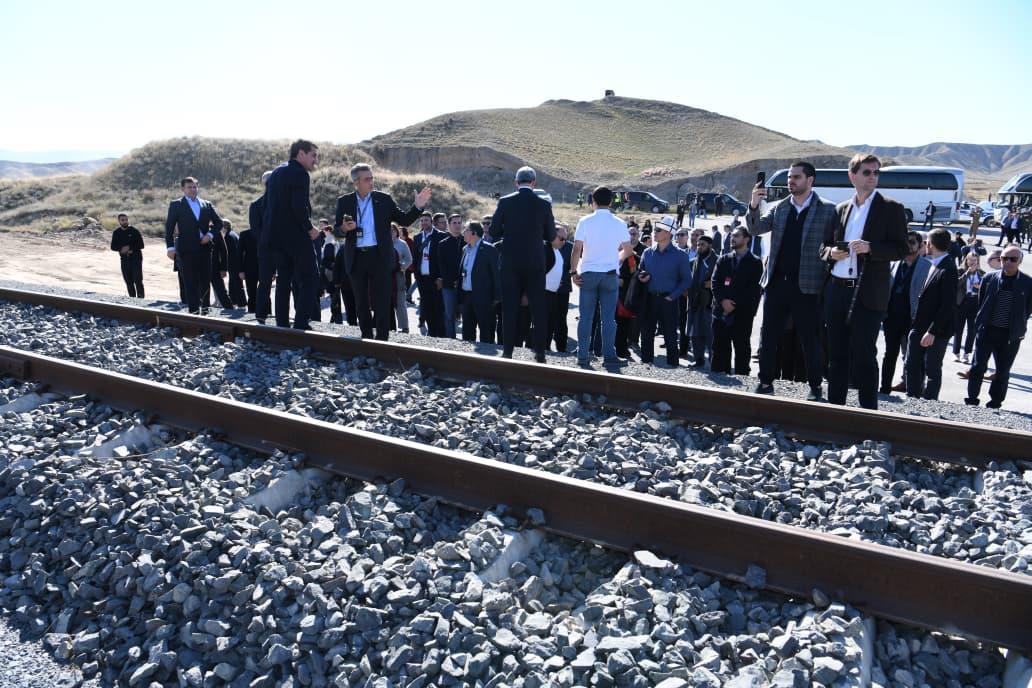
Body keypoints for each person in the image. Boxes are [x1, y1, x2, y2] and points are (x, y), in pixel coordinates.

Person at [821, 153, 908, 410]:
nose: (873, 177)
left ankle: (868, 412)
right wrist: (830, 253)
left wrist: (872, 248)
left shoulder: (891, 208)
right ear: (853, 176)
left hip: (867, 293)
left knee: (864, 355)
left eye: (876, 172)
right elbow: (823, 246)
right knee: (836, 353)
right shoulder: (841, 209)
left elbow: (902, 249)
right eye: (867, 172)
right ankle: (835, 409)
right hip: (837, 288)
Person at [747, 161, 839, 401]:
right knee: (769, 336)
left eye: (796, 177)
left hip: (808, 285)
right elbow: (755, 229)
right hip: (776, 283)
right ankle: (765, 382)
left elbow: (833, 245)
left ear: (810, 180)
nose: (791, 181)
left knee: (810, 338)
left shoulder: (828, 210)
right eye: (789, 177)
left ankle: (815, 386)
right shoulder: (780, 207)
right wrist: (754, 204)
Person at [335, 163, 431, 340]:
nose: (372, 182)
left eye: (372, 178)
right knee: (361, 302)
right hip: (356, 257)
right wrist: (344, 228)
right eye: (367, 179)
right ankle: (366, 337)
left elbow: (404, 220)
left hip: (379, 256)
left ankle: (382, 339)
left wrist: (417, 206)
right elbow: (337, 231)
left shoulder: (384, 199)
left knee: (382, 301)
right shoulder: (344, 201)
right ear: (356, 182)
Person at [489, 166, 556, 362]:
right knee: (538, 308)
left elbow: (493, 231)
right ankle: (540, 352)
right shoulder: (544, 204)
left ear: (516, 183)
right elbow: (551, 235)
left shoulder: (505, 202)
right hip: (535, 262)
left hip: (510, 262)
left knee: (509, 308)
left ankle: (508, 351)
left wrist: (510, 233)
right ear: (534, 183)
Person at [964, 244, 1032, 409]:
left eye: (1012, 259)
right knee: (978, 366)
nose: (1007, 262)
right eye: (1004, 258)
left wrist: (1018, 327)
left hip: (1009, 335)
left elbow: (1028, 308)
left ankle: (995, 402)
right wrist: (980, 323)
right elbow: (982, 302)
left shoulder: (1027, 282)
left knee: (1002, 370)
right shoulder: (989, 278)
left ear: (1020, 261)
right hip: (987, 331)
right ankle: (972, 399)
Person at [263, 140, 319, 329]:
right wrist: (309, 228)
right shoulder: (300, 173)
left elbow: (267, 206)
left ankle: (282, 324)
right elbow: (298, 206)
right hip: (296, 236)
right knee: (311, 277)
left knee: (284, 280)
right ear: (301, 153)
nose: (315, 160)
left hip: (275, 238)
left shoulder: (276, 172)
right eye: (313, 155)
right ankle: (301, 323)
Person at [570, 186, 628, 366]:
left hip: (589, 274)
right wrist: (617, 260)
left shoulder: (585, 221)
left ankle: (582, 355)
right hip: (610, 275)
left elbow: (576, 249)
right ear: (611, 202)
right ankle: (609, 356)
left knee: (585, 317)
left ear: (593, 201)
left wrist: (573, 271)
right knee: (608, 319)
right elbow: (628, 250)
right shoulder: (619, 223)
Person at [904, 228, 958, 400]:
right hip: (919, 326)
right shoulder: (933, 263)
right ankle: (912, 398)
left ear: (930, 244)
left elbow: (948, 305)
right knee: (912, 364)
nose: (925, 245)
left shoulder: (948, 268)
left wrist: (933, 331)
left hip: (935, 331)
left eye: (927, 242)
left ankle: (930, 402)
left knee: (932, 369)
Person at [637, 216, 692, 367]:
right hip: (649, 299)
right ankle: (646, 365)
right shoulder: (647, 253)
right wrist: (641, 277)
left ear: (668, 233)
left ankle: (673, 366)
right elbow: (640, 271)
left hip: (669, 301)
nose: (654, 232)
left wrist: (672, 296)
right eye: (655, 229)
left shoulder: (681, 255)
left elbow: (687, 280)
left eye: (658, 230)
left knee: (670, 336)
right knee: (646, 334)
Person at [880, 231, 930, 395]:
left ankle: (915, 389)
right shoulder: (894, 263)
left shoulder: (927, 266)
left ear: (920, 246)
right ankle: (884, 388)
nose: (908, 245)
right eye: (905, 241)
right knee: (890, 354)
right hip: (892, 318)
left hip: (912, 319)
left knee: (913, 356)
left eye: (912, 242)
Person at [165, 176, 225, 314]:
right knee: (190, 280)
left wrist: (209, 235)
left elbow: (219, 223)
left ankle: (205, 309)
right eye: (189, 187)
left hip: (205, 248)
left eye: (194, 187)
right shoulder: (176, 204)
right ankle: (193, 311)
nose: (192, 189)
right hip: (186, 249)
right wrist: (170, 247)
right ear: (183, 189)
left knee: (205, 279)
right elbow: (169, 227)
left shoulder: (206, 204)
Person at [710, 226, 763, 375]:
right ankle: (720, 379)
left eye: (737, 236)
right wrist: (723, 301)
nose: (732, 239)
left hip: (742, 314)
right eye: (732, 236)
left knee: (741, 348)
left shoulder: (755, 262)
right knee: (719, 348)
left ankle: (742, 378)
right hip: (721, 312)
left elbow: (753, 289)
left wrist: (734, 304)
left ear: (746, 239)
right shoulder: (724, 259)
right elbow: (715, 282)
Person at [459, 221, 501, 343]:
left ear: (474, 233)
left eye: (466, 230)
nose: (463, 233)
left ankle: (487, 355)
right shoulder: (465, 249)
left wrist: (497, 297)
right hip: (467, 296)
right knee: (467, 332)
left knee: (486, 332)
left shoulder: (489, 249)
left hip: (484, 297)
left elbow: (496, 274)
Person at [685, 233, 716, 367]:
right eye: (698, 244)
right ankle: (698, 360)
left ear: (710, 246)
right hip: (694, 303)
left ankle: (715, 363)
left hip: (709, 304)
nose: (699, 247)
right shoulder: (693, 262)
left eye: (702, 244)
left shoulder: (718, 261)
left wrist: (713, 283)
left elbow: (727, 280)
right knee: (695, 333)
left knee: (711, 335)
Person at [411, 213, 444, 335]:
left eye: (426, 220)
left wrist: (441, 277)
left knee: (438, 307)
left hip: (435, 278)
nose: (424, 222)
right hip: (422, 278)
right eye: (422, 220)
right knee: (427, 306)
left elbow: (443, 259)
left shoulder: (441, 236)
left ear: (431, 222)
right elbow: (415, 257)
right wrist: (416, 273)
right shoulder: (417, 237)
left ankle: (440, 334)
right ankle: (431, 333)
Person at [250, 171, 274, 323]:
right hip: (267, 250)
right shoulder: (256, 205)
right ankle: (260, 314)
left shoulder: (285, 201)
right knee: (265, 282)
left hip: (283, 250)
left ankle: (280, 316)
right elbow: (256, 230)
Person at [544, 225, 572, 352]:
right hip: (546, 291)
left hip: (562, 289)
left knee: (560, 319)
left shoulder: (570, 247)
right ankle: (544, 346)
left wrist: (561, 279)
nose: (563, 242)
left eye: (565, 238)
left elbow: (572, 268)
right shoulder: (543, 247)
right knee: (545, 320)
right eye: (561, 238)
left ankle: (561, 348)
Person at [436, 214, 464, 338]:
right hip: (448, 285)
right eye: (454, 223)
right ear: (449, 225)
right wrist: (452, 281)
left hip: (465, 286)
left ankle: (468, 341)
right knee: (449, 315)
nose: (457, 225)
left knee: (467, 315)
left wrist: (460, 281)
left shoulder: (467, 241)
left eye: (459, 223)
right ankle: (450, 341)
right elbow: (442, 266)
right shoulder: (443, 243)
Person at [953, 252, 984, 364]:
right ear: (966, 260)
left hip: (975, 303)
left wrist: (980, 287)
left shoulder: (982, 273)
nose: (972, 262)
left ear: (978, 261)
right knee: (958, 329)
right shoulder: (960, 271)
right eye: (970, 260)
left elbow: (985, 289)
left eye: (975, 260)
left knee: (972, 330)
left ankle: (966, 354)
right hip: (962, 302)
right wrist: (967, 273)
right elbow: (956, 284)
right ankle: (956, 353)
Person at [110, 213, 145, 298]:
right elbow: (113, 247)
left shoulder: (134, 231)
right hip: (124, 260)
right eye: (123, 220)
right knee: (128, 281)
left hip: (136, 259)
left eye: (126, 220)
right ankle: (132, 300)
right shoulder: (116, 233)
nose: (125, 221)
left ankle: (141, 300)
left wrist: (130, 248)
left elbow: (141, 245)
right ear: (119, 221)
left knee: (138, 280)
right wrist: (121, 249)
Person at [322, 225, 346, 324]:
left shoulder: (332, 244)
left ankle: (336, 317)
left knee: (335, 296)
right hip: (334, 275)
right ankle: (336, 317)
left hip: (335, 275)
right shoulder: (333, 244)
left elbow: (325, 261)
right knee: (335, 296)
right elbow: (326, 261)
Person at [391, 224, 413, 332]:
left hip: (398, 277)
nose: (391, 232)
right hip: (386, 278)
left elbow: (409, 259)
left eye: (393, 230)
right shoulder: (382, 242)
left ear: (397, 231)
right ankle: (390, 326)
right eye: (388, 230)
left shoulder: (402, 244)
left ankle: (404, 327)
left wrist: (402, 266)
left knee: (400, 303)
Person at [221, 220, 246, 308]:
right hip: (237, 262)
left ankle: (241, 303)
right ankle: (235, 301)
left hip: (233, 263)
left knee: (236, 283)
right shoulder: (233, 234)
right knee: (233, 283)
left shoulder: (228, 236)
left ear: (224, 227)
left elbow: (228, 252)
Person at [238, 220, 260, 313]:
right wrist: (241, 270)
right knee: (251, 292)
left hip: (264, 267)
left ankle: (266, 312)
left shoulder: (267, 233)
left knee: (265, 292)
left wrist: (273, 271)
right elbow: (239, 253)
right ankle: (252, 311)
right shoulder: (244, 234)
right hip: (249, 268)